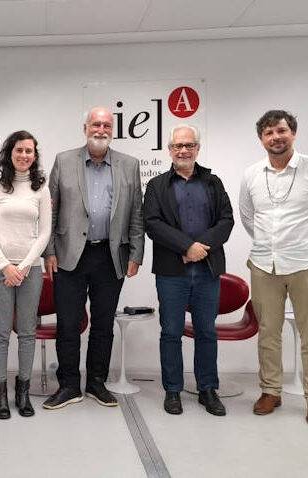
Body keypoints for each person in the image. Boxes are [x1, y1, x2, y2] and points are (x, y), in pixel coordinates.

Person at [42, 106, 144, 410]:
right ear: (85, 128)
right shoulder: (64, 161)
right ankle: (69, 385)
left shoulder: (129, 165)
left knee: (103, 324)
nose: (101, 130)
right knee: (68, 323)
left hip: (110, 256)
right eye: (95, 124)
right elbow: (50, 211)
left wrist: (136, 253)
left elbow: (136, 213)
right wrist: (49, 251)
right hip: (69, 256)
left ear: (112, 130)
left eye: (106, 125)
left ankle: (97, 383)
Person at [144, 124, 234, 416]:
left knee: (206, 331)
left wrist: (199, 248)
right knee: (171, 332)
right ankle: (173, 390)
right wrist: (186, 247)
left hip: (207, 270)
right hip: (172, 272)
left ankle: (207, 389)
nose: (183, 150)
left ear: (197, 148)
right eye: (177, 146)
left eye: (189, 145)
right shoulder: (156, 185)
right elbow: (152, 224)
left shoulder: (213, 182)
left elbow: (226, 220)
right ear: (169, 150)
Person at [239, 110, 308, 420]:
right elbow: (247, 215)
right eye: (269, 133)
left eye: (281, 131)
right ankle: (271, 391)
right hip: (264, 264)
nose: (275, 137)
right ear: (261, 139)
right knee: (268, 331)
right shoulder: (251, 174)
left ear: (293, 133)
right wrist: (269, 242)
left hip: (304, 263)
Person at [0, 130, 51, 419]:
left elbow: (44, 232)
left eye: (29, 151)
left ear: (34, 155)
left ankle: (23, 394)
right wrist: (5, 266)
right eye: (19, 150)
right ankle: (0, 395)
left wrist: (22, 267)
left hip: (30, 271)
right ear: (9, 154)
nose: (24, 155)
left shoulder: (41, 189)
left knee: (26, 333)